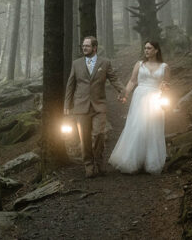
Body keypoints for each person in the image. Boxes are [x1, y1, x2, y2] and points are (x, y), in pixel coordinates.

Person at [64, 36, 125, 178]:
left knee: (99, 134)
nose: (84, 48)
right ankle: (88, 165)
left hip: (99, 105)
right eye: (83, 46)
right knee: (84, 138)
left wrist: (122, 90)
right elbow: (70, 85)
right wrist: (67, 105)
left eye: (87, 46)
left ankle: (99, 161)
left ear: (94, 48)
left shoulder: (105, 62)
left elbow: (114, 78)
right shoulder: (76, 64)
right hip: (81, 106)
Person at [108, 40, 170, 174]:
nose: (146, 50)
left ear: (156, 50)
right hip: (140, 97)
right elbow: (132, 81)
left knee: (153, 128)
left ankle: (151, 162)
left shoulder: (164, 67)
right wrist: (125, 93)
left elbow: (166, 84)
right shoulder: (139, 64)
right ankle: (131, 161)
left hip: (155, 98)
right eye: (145, 48)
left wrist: (165, 94)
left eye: (149, 48)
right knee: (137, 126)